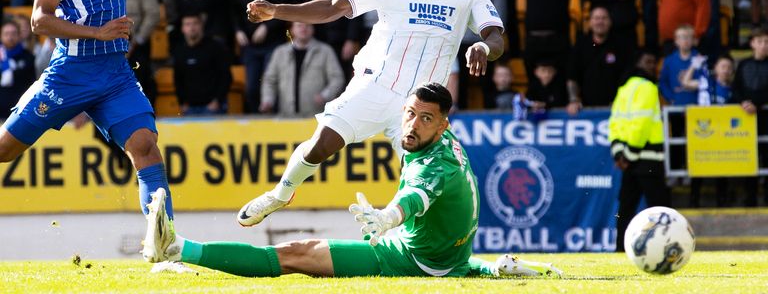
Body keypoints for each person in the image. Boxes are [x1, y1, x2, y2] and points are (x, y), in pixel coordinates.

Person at [239, 0, 505, 226]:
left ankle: (397, 233)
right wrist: (277, 10)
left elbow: (496, 37)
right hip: (376, 85)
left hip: (419, 103)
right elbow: (333, 7)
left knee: (423, 176)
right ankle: (280, 194)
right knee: (320, 147)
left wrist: (482, 45)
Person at [142, 82, 562, 279]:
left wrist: (385, 218)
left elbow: (414, 199)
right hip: (442, 254)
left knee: (293, 255)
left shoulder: (435, 166)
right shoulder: (439, 139)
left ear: (443, 124)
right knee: (302, 251)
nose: (412, 125)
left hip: (410, 260)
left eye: (425, 118)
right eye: (410, 113)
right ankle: (486, 270)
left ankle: (177, 248)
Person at [0, 0, 174, 263]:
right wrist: (97, 32)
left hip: (115, 75)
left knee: (145, 147)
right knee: (5, 150)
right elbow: (39, 21)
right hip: (71, 73)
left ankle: (164, 251)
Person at [609, 49, 670, 252]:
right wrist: (629, 154)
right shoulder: (648, 86)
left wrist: (620, 153)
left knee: (626, 209)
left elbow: (615, 123)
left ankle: (620, 250)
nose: (652, 66)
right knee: (660, 208)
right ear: (637, 63)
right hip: (647, 158)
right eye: (648, 61)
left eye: (654, 62)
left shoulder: (624, 87)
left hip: (629, 160)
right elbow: (641, 124)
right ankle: (666, 249)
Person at [231, 0, 287, 113]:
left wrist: (266, 27)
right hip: (249, 44)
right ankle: (256, 117)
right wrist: (238, 31)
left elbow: (282, 12)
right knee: (252, 87)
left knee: (271, 81)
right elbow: (233, 13)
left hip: (272, 42)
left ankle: (276, 116)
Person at [458, 0, 507, 109]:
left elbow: (499, 5)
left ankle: (490, 114)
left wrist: (495, 33)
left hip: (486, 38)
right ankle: (460, 115)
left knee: (487, 81)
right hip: (462, 39)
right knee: (461, 81)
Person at [681, 53, 734, 207]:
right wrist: (694, 66)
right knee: (700, 165)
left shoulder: (733, 88)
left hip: (724, 134)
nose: (725, 70)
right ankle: (694, 200)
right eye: (723, 66)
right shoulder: (705, 84)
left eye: (729, 67)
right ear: (716, 68)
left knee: (722, 166)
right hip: (704, 133)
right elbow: (685, 82)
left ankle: (721, 200)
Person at [260, 22, 345, 117]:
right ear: (292, 29)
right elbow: (269, 80)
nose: (303, 28)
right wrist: (268, 100)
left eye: (307, 25)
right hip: (286, 117)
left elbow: (337, 78)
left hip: (316, 117)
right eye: (299, 25)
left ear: (313, 29)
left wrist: (325, 95)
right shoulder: (280, 52)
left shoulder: (325, 51)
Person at [113, 0, 160, 106]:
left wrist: (137, 40)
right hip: (110, 44)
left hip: (137, 45)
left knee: (140, 85)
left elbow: (153, 14)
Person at [566, 5, 629, 114]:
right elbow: (572, 76)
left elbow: (627, 78)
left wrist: (621, 100)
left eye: (604, 18)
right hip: (586, 110)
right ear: (590, 22)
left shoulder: (621, 46)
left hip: (616, 108)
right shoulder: (581, 46)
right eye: (596, 18)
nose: (600, 22)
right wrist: (574, 100)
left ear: (610, 22)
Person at [732, 28, 768, 207]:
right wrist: (743, 102)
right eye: (760, 41)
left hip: (765, 118)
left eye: (766, 42)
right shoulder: (744, 64)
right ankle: (750, 197)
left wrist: (757, 103)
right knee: (748, 157)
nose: (763, 45)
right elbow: (736, 87)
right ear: (752, 43)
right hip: (746, 119)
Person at [172, 11, 232, 116]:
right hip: (189, 108)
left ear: (201, 26)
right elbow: (178, 79)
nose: (192, 27)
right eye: (188, 24)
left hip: (213, 107)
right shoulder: (179, 51)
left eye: (195, 23)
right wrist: (182, 103)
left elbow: (226, 76)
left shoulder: (215, 48)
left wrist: (217, 101)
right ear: (182, 28)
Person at [0, 20, 36, 116]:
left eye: (13, 33)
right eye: (6, 34)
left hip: (19, 113)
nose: (10, 37)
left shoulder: (28, 57)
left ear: (19, 35)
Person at [658, 25, 700, 105]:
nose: (686, 40)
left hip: (696, 105)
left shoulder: (699, 59)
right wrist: (671, 98)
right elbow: (663, 82)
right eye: (682, 37)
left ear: (694, 40)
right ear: (676, 41)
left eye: (689, 37)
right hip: (676, 105)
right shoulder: (669, 61)